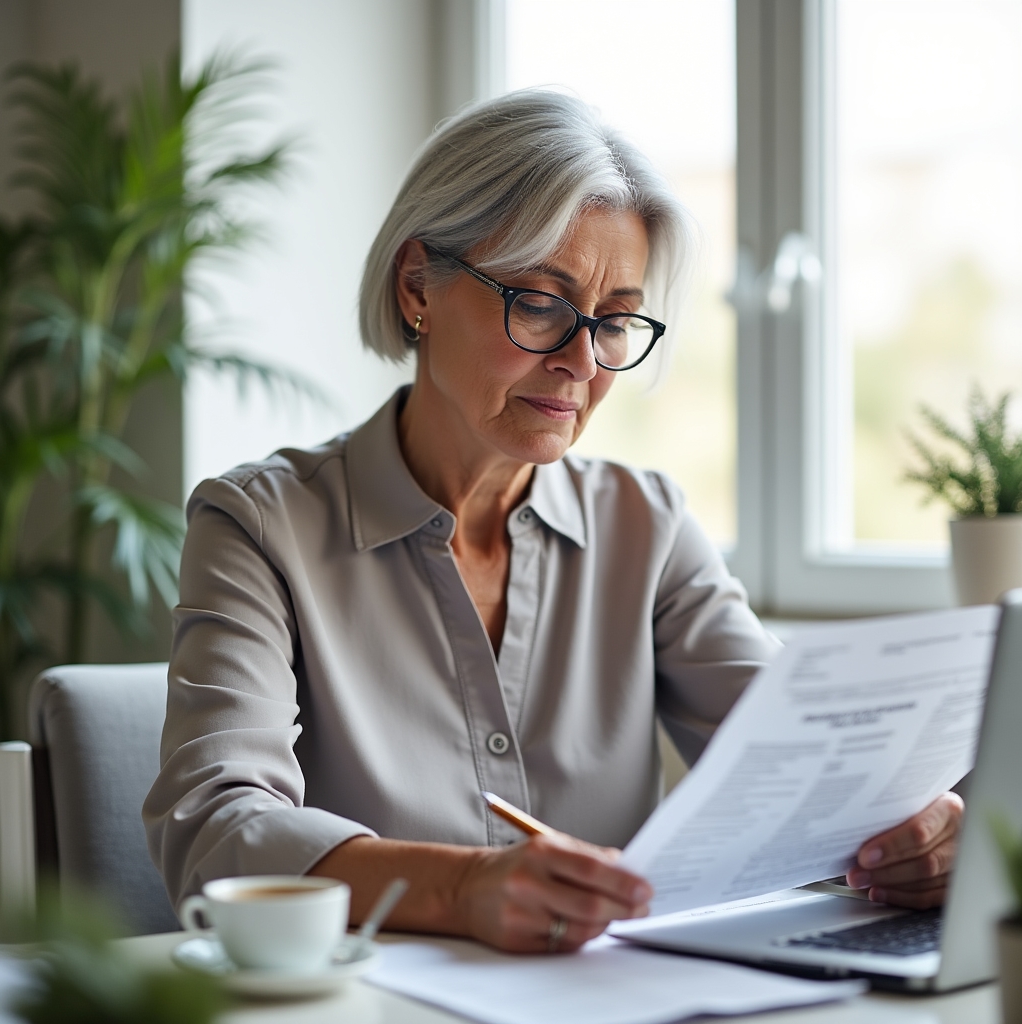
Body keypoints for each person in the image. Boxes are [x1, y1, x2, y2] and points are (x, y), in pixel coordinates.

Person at [143, 90, 962, 954]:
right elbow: (216, 831)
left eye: (614, 323)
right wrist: (462, 886)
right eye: (539, 303)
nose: (581, 362)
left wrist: (911, 836)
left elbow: (801, 765)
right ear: (418, 283)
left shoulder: (647, 527)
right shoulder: (259, 526)